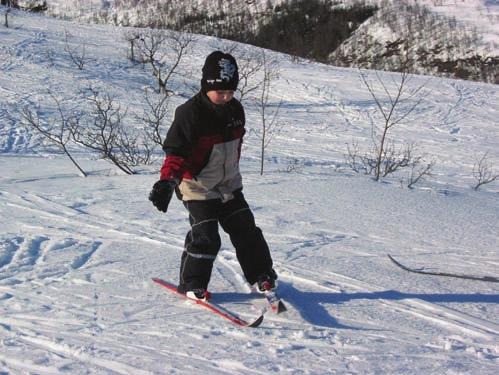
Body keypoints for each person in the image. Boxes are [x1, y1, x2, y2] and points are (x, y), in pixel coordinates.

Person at [149, 51, 277, 301]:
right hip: (198, 187)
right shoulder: (190, 114)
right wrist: (167, 181)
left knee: (246, 230)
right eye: (221, 92)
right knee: (206, 236)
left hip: (229, 186)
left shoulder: (235, 109)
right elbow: (176, 152)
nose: (227, 97)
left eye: (231, 92)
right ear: (207, 86)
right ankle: (192, 284)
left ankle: (262, 275)